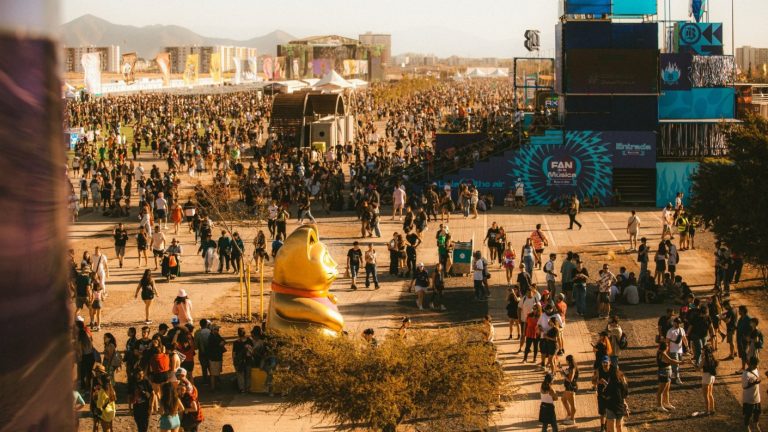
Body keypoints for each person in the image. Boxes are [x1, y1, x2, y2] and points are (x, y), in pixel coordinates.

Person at [656, 342, 686, 412]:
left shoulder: (662, 352)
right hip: (664, 373)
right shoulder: (662, 354)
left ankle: (666, 403)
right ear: (666, 347)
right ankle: (659, 406)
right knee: (661, 390)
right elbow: (671, 361)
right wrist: (681, 362)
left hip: (667, 373)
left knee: (666, 390)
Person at [742, 356, 761, 432]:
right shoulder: (745, 374)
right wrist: (754, 383)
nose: (757, 366)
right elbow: (744, 386)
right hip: (749, 398)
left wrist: (756, 381)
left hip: (757, 396)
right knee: (748, 414)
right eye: (756, 365)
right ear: (751, 364)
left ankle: (756, 425)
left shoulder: (755, 369)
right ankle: (746, 427)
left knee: (757, 412)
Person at [666, 317, 688, 384]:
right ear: (674, 323)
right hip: (673, 350)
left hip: (680, 350)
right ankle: (677, 378)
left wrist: (687, 347)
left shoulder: (682, 330)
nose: (677, 324)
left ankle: (673, 373)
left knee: (678, 362)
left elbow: (684, 339)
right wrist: (667, 350)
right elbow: (667, 341)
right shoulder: (670, 331)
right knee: (676, 364)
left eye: (678, 323)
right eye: (676, 323)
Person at [232, 327, 254, 393]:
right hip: (246, 359)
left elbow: (234, 353)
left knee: (241, 375)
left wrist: (234, 361)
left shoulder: (236, 342)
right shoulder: (249, 340)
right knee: (246, 375)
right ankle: (247, 388)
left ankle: (243, 389)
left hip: (241, 360)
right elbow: (252, 350)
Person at [700, 344, 718, 415]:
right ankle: (712, 409)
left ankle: (707, 411)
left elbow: (698, 368)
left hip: (706, 377)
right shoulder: (712, 357)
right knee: (710, 394)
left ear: (705, 350)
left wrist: (691, 362)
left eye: (703, 349)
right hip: (712, 377)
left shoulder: (704, 359)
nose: (702, 351)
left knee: (706, 396)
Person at [560, 354, 579, 425]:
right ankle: (569, 414)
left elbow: (570, 379)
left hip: (570, 388)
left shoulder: (572, 369)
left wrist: (564, 376)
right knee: (563, 399)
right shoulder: (570, 368)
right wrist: (561, 369)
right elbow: (564, 373)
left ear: (568, 361)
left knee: (573, 405)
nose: (566, 362)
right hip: (568, 387)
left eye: (566, 360)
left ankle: (572, 419)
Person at [207, 325, 226, 391]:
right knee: (213, 374)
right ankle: (213, 387)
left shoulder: (216, 335)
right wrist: (221, 343)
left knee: (216, 373)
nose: (218, 330)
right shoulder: (212, 337)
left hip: (216, 357)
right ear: (213, 330)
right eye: (216, 329)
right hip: (214, 358)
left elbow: (223, 341)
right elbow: (221, 343)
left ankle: (215, 386)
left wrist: (222, 342)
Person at [194, 320, 211, 384]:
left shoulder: (197, 333)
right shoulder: (210, 331)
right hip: (211, 352)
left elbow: (195, 346)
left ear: (200, 324)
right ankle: (214, 380)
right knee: (211, 367)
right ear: (206, 324)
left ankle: (205, 381)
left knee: (204, 368)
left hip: (202, 352)